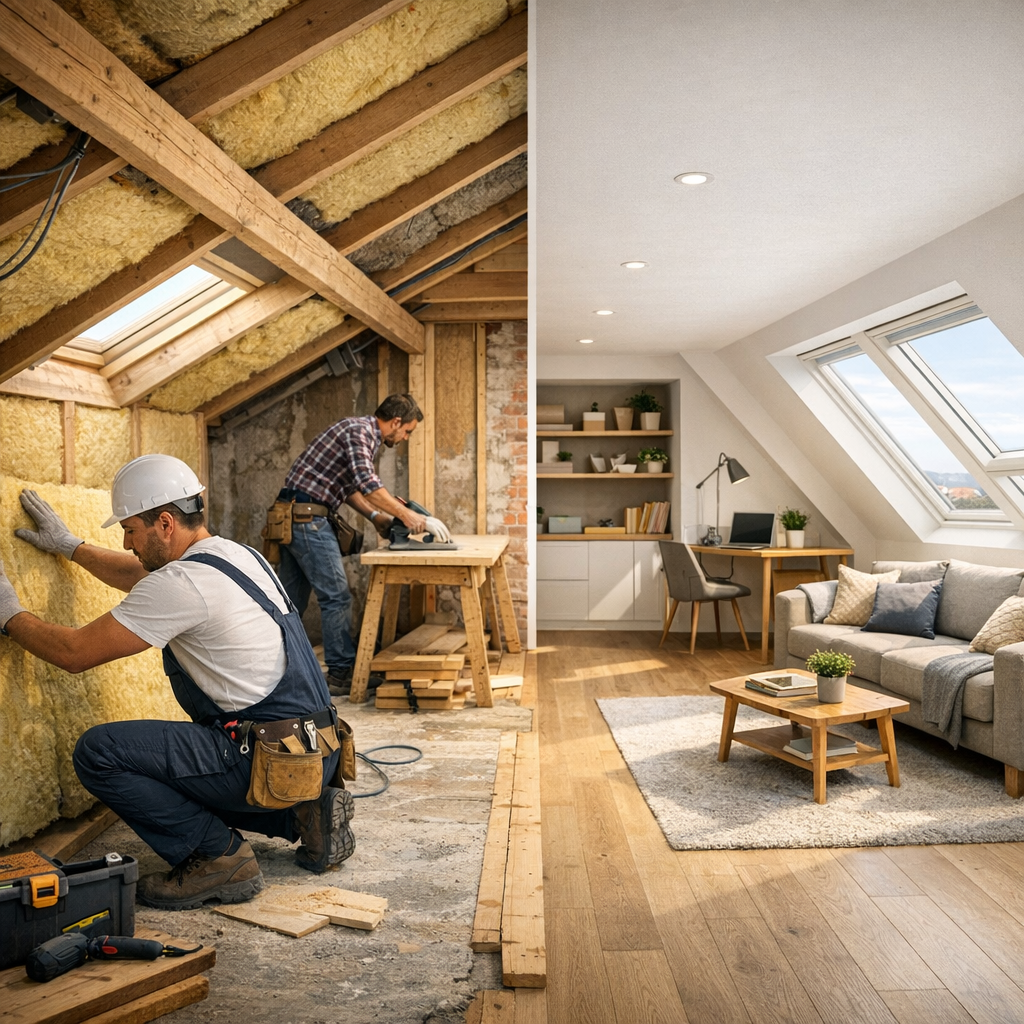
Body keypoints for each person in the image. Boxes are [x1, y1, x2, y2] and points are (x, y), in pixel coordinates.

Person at [0, 455, 354, 911]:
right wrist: (71, 546)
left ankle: (216, 857)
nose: (127, 543)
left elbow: (74, 653)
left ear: (164, 522)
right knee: (185, 764)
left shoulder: (184, 583)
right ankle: (304, 817)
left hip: (261, 757)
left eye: (129, 529)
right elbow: (143, 576)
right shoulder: (235, 555)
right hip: (314, 754)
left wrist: (10, 615)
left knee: (100, 753)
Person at [276, 392, 451, 695]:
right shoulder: (360, 432)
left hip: (292, 515)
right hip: (306, 519)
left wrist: (375, 517)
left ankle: (272, 669)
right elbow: (368, 483)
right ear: (395, 422)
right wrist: (410, 517)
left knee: (288, 602)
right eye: (407, 431)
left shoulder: (355, 432)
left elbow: (349, 487)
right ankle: (342, 674)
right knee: (337, 598)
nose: (406, 437)